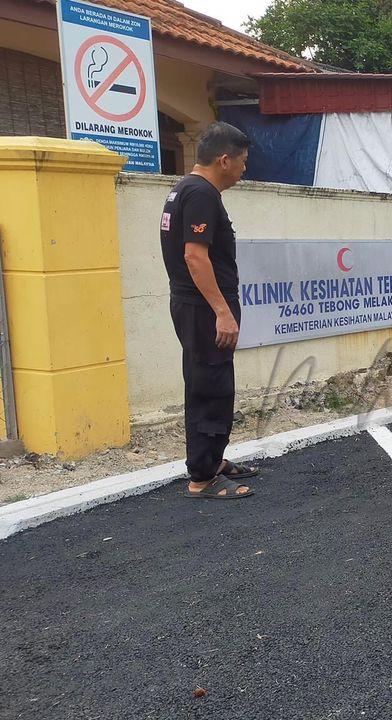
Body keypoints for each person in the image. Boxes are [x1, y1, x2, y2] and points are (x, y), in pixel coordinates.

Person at [160, 122, 258, 499]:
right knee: (211, 388)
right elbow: (194, 256)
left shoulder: (184, 189)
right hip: (203, 309)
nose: (244, 169)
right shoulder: (201, 194)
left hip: (193, 305)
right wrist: (223, 311)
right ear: (224, 159)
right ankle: (203, 477)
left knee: (206, 382)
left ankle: (211, 459)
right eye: (242, 161)